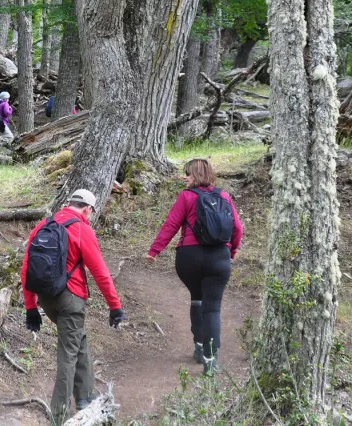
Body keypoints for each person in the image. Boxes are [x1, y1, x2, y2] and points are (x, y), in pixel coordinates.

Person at [21, 189, 125, 422]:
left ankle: (85, 397)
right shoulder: (81, 229)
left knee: (79, 339)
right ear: (87, 209)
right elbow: (100, 272)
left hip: (46, 298)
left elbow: (26, 268)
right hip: (70, 299)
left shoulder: (43, 225)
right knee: (68, 354)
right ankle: (58, 416)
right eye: (91, 212)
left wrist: (31, 307)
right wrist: (114, 306)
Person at [147, 158, 243, 375]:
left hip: (189, 257)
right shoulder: (224, 196)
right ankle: (210, 361)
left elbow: (171, 224)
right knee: (213, 308)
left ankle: (199, 346)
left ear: (197, 174)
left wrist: (155, 250)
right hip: (219, 257)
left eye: (188, 173)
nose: (185, 177)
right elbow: (237, 228)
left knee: (197, 298)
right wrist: (232, 251)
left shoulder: (187, 196)